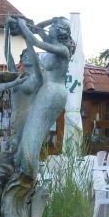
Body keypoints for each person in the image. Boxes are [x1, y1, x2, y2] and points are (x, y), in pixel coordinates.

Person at [9, 16, 75, 178]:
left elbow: (34, 41)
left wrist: (23, 25)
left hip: (52, 92)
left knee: (32, 135)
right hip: (48, 90)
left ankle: (28, 175)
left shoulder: (62, 50)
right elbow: (37, 29)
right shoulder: (54, 44)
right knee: (31, 134)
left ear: (59, 31)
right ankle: (25, 171)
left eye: (53, 26)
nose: (49, 28)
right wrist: (50, 20)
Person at [3, 20, 43, 153]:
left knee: (24, 150)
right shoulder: (17, 76)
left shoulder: (37, 77)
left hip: (28, 117)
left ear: (35, 58)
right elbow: (7, 55)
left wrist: (26, 35)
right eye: (23, 55)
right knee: (12, 150)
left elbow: (37, 63)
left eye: (29, 55)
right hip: (14, 117)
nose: (25, 57)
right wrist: (6, 31)